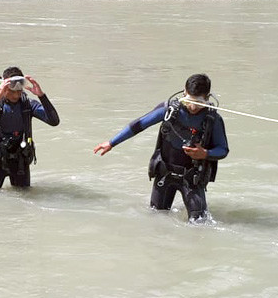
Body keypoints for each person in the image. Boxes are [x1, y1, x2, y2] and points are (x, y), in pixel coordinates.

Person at [94, 73, 228, 221]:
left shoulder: (213, 119)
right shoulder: (169, 110)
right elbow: (138, 125)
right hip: (165, 174)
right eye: (189, 100)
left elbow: (223, 149)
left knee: (199, 224)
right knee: (156, 219)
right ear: (184, 92)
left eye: (198, 102)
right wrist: (112, 142)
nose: (193, 106)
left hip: (193, 178)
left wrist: (205, 154)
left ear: (207, 98)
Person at [0, 66, 59, 190]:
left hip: (20, 162)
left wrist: (41, 95)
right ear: (4, 87)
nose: (16, 94)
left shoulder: (27, 105)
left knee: (24, 199)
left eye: (19, 91)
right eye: (12, 91)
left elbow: (54, 121)